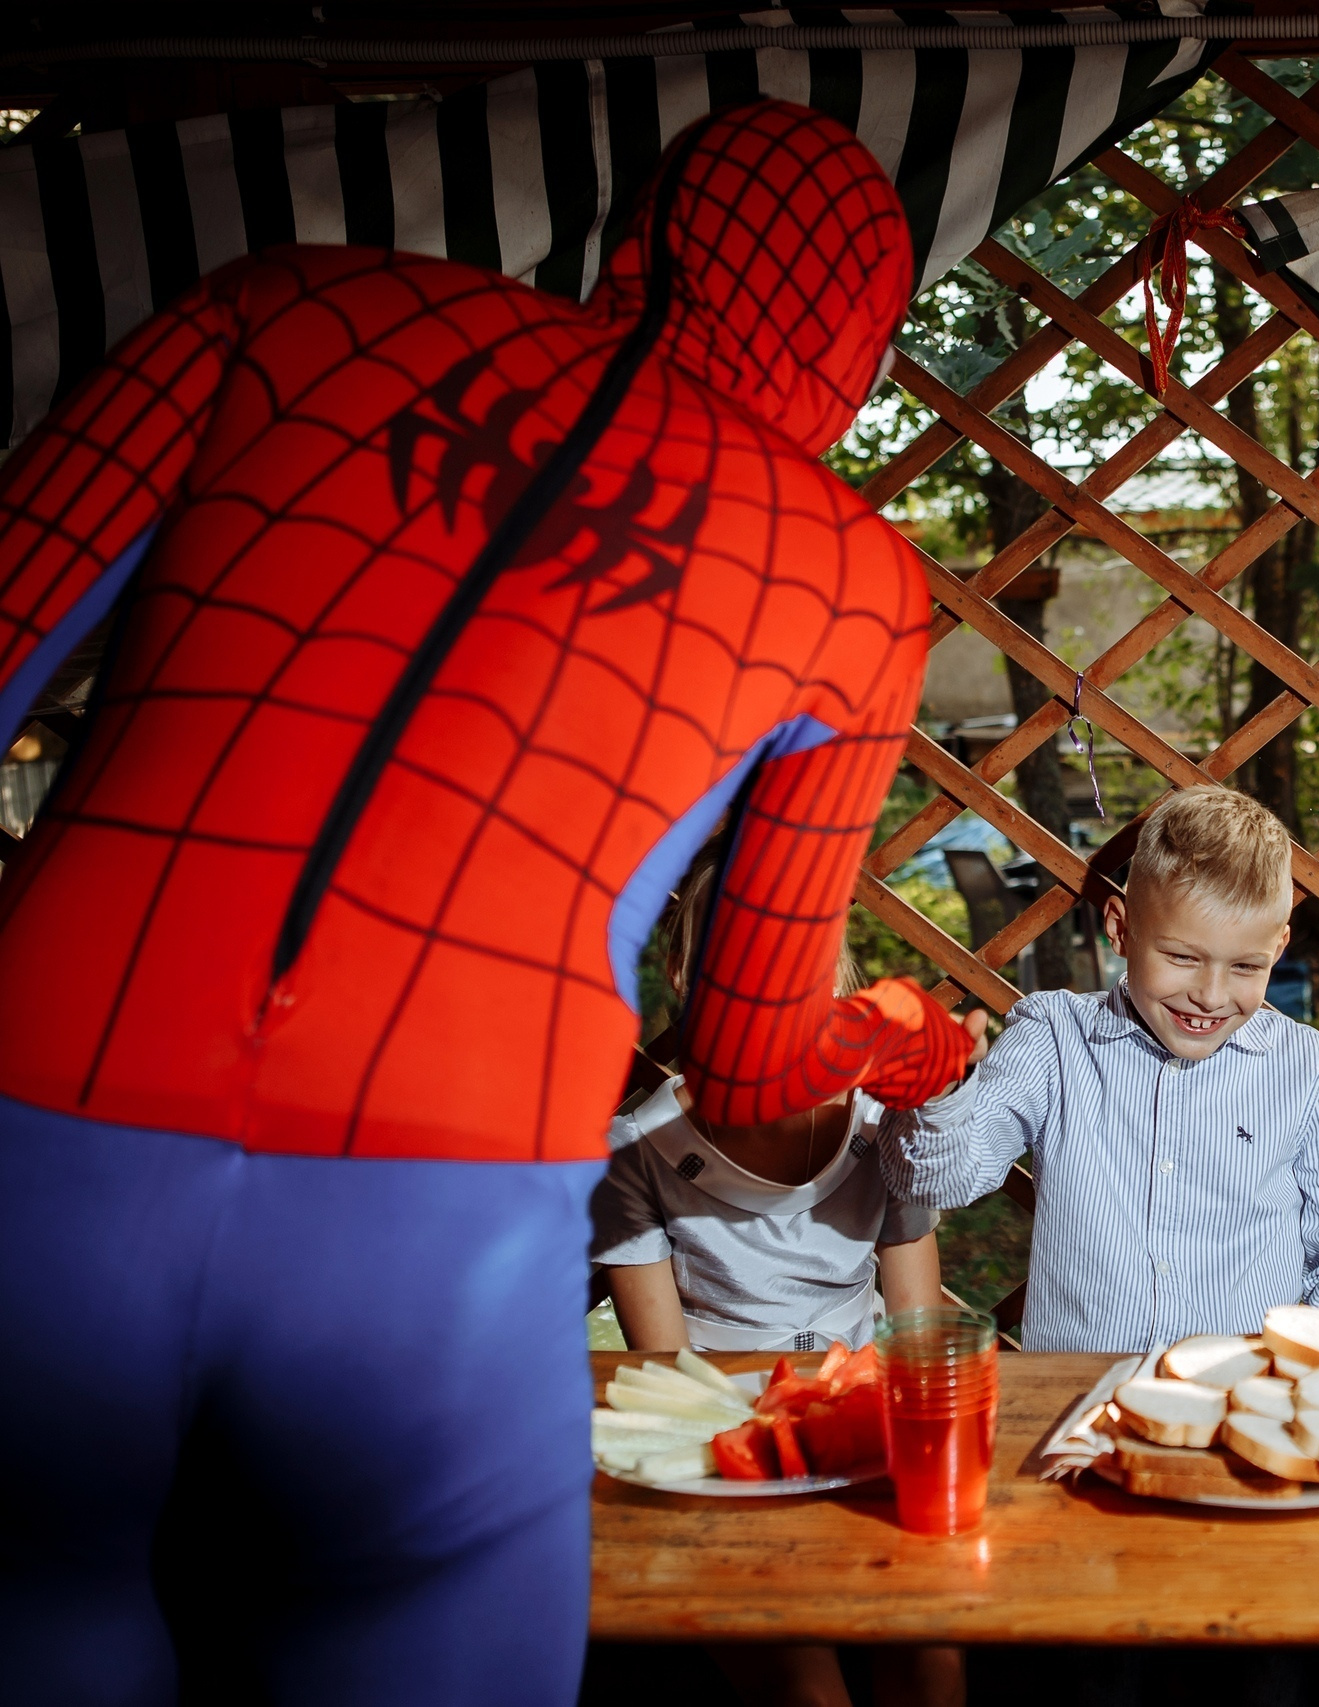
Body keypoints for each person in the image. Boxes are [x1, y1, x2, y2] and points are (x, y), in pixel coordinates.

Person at [0, 101, 970, 1707]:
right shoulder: (850, 578)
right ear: (856, 356)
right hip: (435, 1202)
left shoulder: (285, 304)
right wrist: (902, 1040)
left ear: (633, 245)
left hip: (40, 1107)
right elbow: (745, 1060)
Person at [596, 870, 978, 1707]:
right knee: (806, 1681)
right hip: (730, 1441)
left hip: (867, 1422)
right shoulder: (634, 1147)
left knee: (932, 1656)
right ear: (686, 976)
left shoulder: (885, 1125)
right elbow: (671, 1368)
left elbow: (915, 1332)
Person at [881, 785, 1319, 1354]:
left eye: (1244, 966)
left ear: (1277, 948)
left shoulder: (1303, 1070)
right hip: (1076, 1398)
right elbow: (938, 1179)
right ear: (1121, 928)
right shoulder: (1056, 1040)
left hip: (1239, 1395)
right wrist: (938, 1098)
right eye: (1182, 957)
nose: (1210, 995)